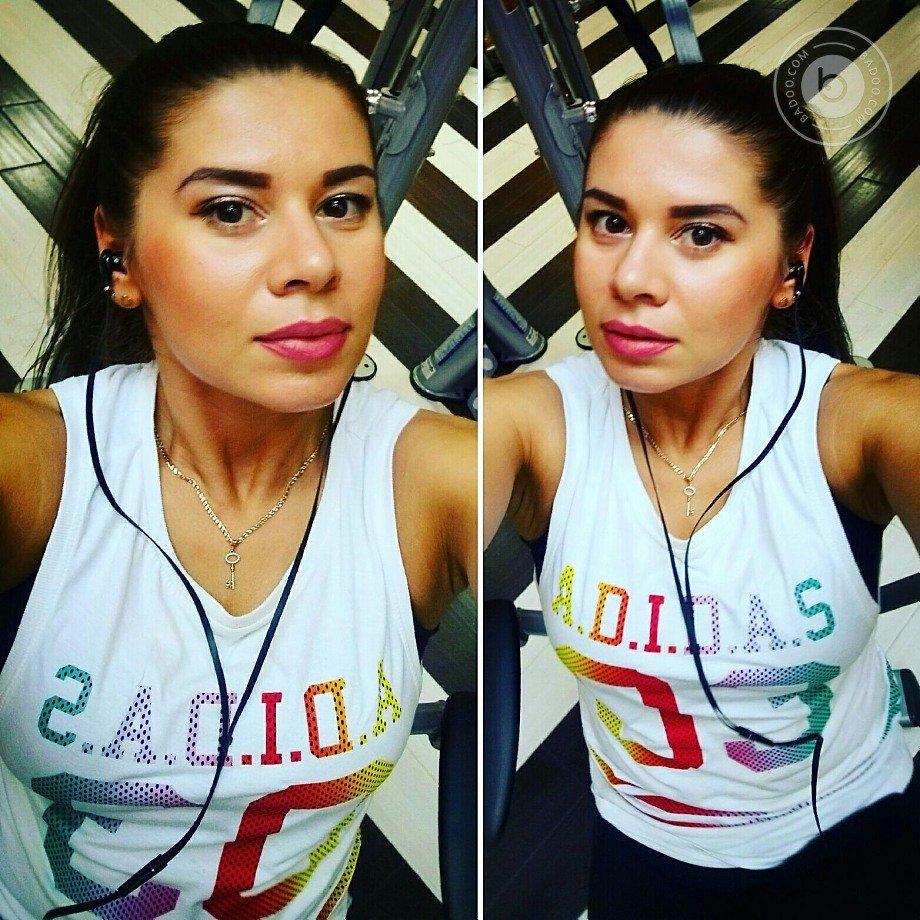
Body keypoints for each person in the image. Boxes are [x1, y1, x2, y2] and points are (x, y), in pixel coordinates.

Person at [0, 21, 475, 919]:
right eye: (230, 210)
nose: (315, 262)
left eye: (344, 205)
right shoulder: (36, 466)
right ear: (120, 254)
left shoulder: (428, 477)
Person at [484, 61, 919, 918]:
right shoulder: (533, 425)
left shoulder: (859, 422)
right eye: (610, 221)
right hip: (647, 843)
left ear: (790, 266)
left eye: (701, 234)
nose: (631, 278)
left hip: (854, 818)